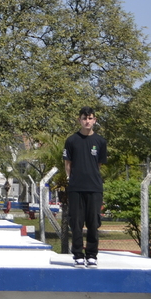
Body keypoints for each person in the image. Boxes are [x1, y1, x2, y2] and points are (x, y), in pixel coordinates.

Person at [62, 106, 107, 268]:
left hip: (94, 188)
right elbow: (68, 164)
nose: (87, 121)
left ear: (94, 120)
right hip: (76, 188)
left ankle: (92, 255)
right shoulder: (72, 140)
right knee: (76, 223)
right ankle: (78, 255)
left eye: (90, 118)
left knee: (93, 222)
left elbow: (99, 164)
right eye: (84, 118)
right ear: (79, 120)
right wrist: (71, 180)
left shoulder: (100, 141)